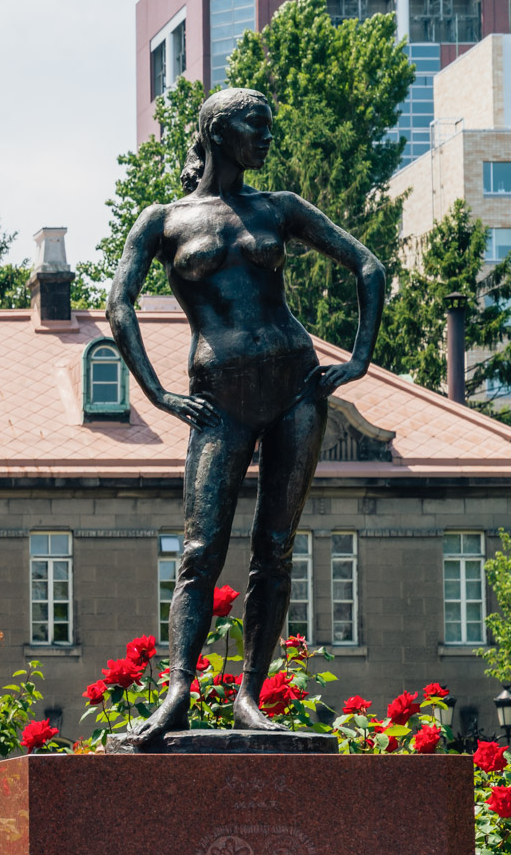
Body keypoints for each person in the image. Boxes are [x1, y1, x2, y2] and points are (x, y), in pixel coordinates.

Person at [108, 86, 384, 748]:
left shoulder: (279, 208)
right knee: (201, 549)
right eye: (252, 124)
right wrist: (156, 393)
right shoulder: (163, 220)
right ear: (215, 131)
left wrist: (357, 360)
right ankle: (179, 690)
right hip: (219, 399)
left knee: (276, 550)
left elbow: (368, 268)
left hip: (295, 388)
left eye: (269, 124)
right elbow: (119, 307)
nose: (265, 136)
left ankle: (250, 697)